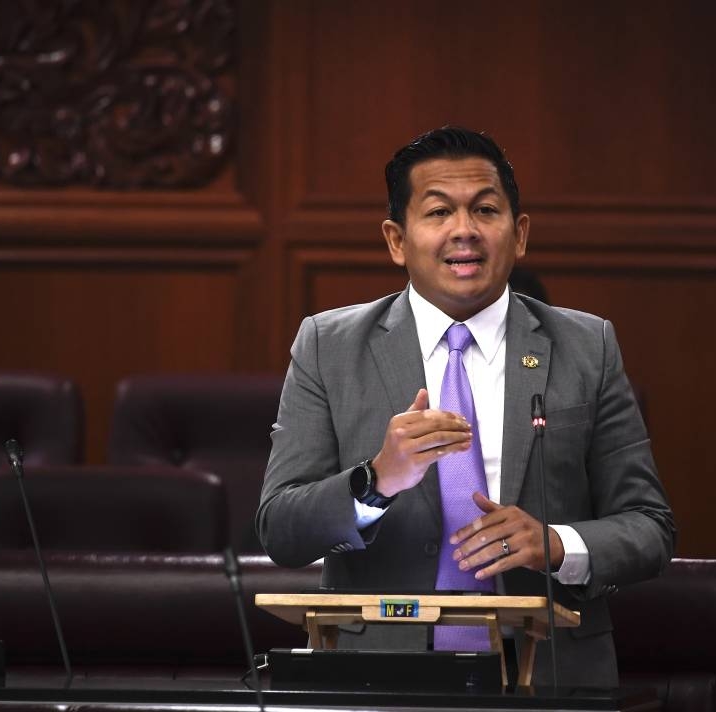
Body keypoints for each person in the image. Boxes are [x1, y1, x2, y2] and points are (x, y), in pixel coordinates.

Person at [257, 126, 675, 688]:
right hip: (377, 675)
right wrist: (377, 480)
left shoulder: (586, 347)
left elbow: (649, 528)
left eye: (484, 209)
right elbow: (282, 530)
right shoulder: (328, 346)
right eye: (437, 212)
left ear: (519, 233)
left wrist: (555, 544)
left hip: (546, 672)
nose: (464, 231)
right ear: (396, 240)